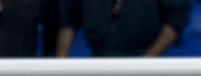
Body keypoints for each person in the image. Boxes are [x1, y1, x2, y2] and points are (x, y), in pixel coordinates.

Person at [56, 0, 190, 57]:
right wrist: (60, 67)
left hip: (145, 65)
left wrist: (146, 62)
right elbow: (68, 16)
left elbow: (176, 19)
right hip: (100, 63)